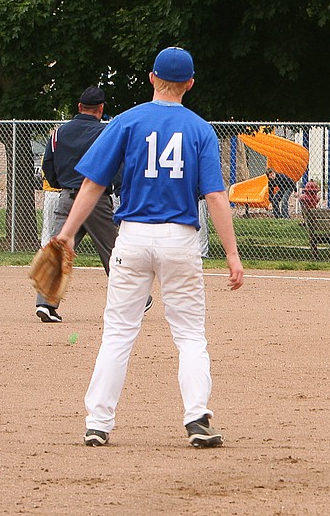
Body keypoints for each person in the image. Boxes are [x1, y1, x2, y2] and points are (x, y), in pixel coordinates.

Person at [53, 46, 244, 449]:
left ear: (152, 78)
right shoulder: (199, 129)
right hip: (180, 240)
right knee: (190, 336)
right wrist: (231, 252)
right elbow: (214, 196)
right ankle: (196, 419)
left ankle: (98, 423)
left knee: (118, 333)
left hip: (133, 237)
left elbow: (92, 184)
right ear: (189, 84)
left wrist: (68, 233)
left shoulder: (125, 121)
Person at [36, 87, 143, 322]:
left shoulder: (58, 133)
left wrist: (61, 183)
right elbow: (118, 167)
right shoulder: (106, 132)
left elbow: (49, 166)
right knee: (114, 252)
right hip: (96, 200)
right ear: (101, 109)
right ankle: (137, 299)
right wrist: (117, 190)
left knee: (58, 248)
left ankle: (45, 302)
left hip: (66, 197)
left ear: (79, 107)